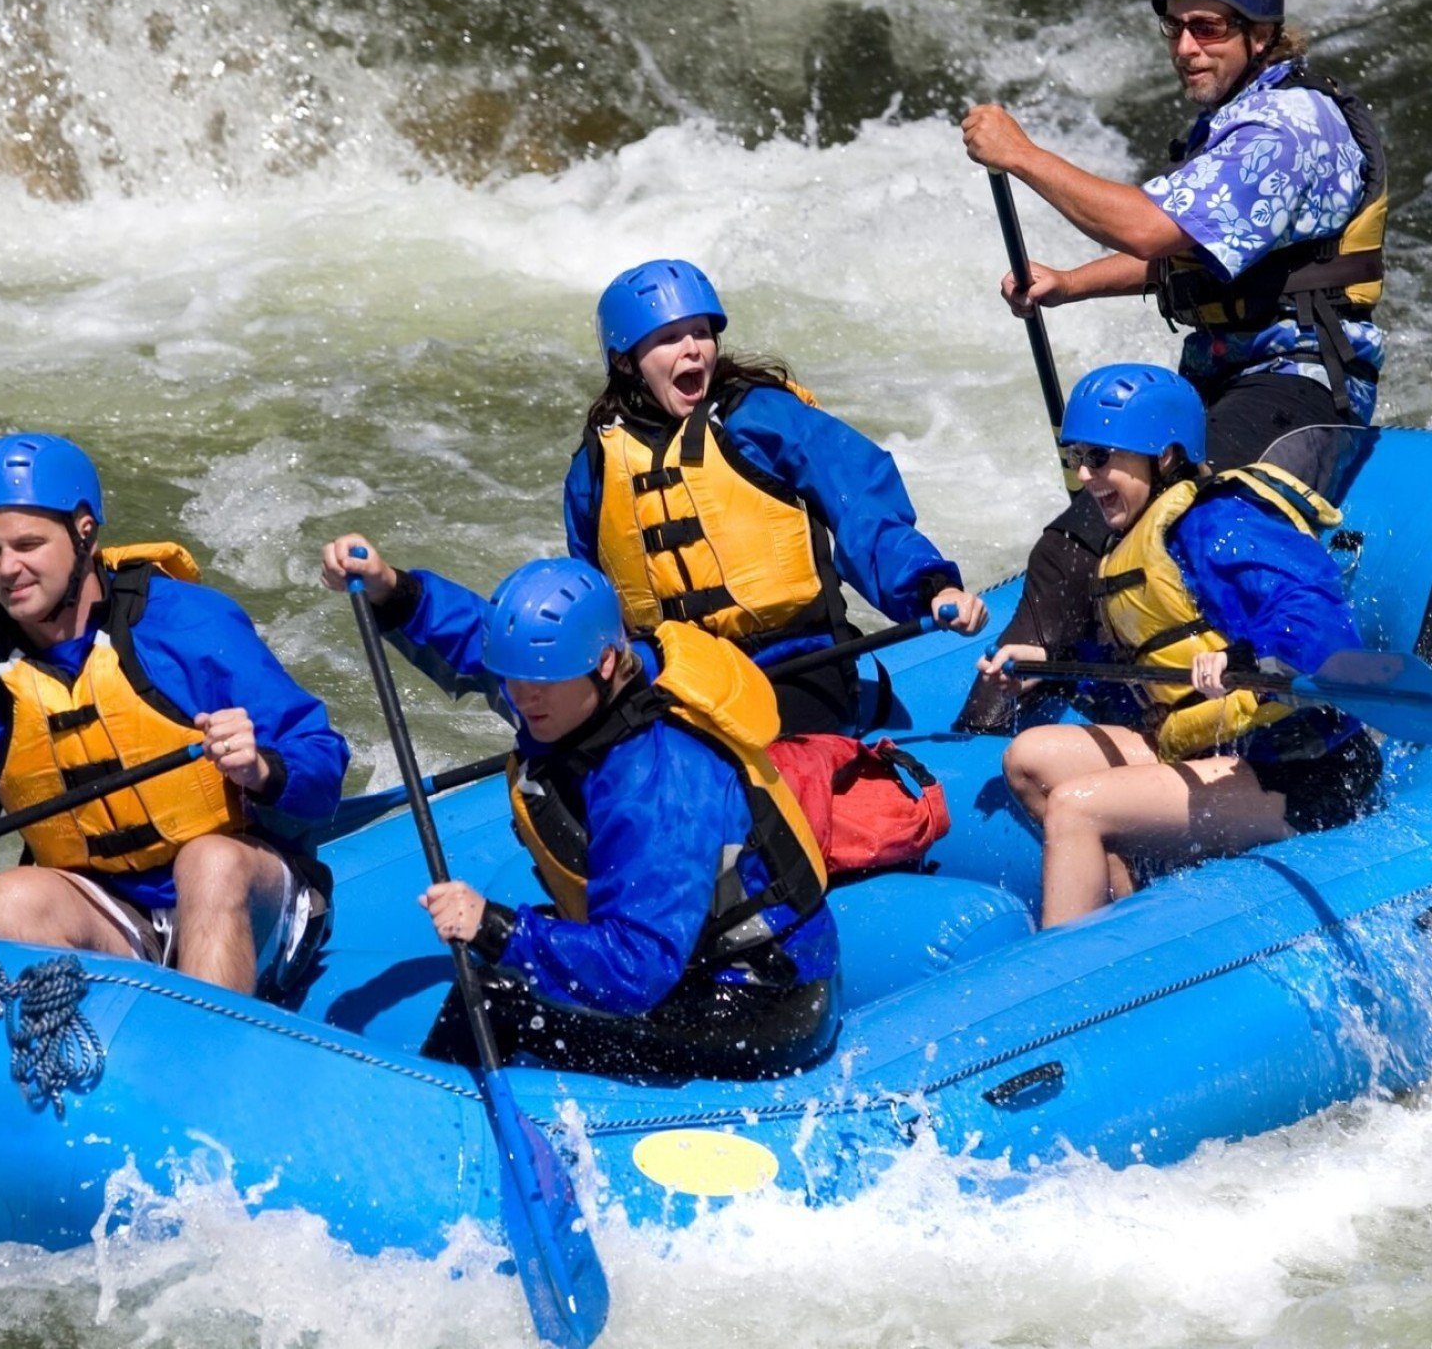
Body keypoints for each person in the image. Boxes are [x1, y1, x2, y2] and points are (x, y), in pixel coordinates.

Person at [957, 0, 1388, 729]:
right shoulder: (1239, 119)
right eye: (1176, 27)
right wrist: (1069, 285)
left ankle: (991, 730)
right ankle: (1055, 697)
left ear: (1261, 33)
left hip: (1299, 385)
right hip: (1228, 378)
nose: (1186, 47)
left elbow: (1154, 229)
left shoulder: (1283, 131)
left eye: (1209, 28)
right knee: (1098, 512)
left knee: (1128, 522)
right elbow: (1193, 252)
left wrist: (1023, 156)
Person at [0, 434, 350, 998]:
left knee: (210, 861)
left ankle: (211, 1043)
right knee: (7, 899)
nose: (8, 569)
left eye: (28, 545)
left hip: (251, 901)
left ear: (84, 533)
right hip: (115, 922)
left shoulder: (191, 626)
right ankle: (83, 1046)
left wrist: (264, 770)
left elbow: (319, 758)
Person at [320, 539, 839, 1080]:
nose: (522, 698)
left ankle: (429, 1120)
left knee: (497, 996)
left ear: (606, 662)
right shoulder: (575, 685)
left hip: (757, 1000)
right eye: (515, 678)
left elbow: (639, 966)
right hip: (690, 956)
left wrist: (496, 929)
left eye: (540, 682)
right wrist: (393, 590)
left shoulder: (657, 786)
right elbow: (481, 642)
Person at [976, 364, 1382, 928]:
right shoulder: (1132, 541)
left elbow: (1321, 625)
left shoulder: (1221, 521)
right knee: (1030, 758)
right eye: (1078, 458)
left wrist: (1243, 659)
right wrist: (1057, 666)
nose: (1086, 475)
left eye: (1101, 457)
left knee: (1075, 808)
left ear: (1164, 456)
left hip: (1299, 769)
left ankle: (1072, 972)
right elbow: (1152, 671)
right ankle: (1126, 913)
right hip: (1215, 748)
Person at [564, 257, 987, 735]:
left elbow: (862, 505)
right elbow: (592, 590)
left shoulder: (761, 418)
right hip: (676, 675)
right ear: (625, 361)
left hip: (793, 659)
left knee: (751, 759)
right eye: (668, 338)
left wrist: (931, 587)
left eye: (701, 332)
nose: (692, 349)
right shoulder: (596, 464)